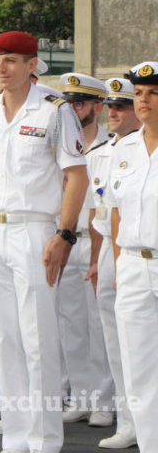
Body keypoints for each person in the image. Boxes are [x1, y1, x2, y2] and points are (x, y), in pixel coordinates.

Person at [0, 31, 88, 453]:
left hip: (35, 231)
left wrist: (64, 234)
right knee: (5, 339)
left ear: (33, 64)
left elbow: (76, 176)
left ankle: (45, 440)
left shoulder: (55, 111)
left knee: (37, 340)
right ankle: (16, 438)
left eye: (13, 60)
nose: (2, 68)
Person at [84, 76, 141, 450]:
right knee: (117, 343)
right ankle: (129, 420)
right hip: (112, 251)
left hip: (140, 250)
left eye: (124, 106)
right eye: (112, 106)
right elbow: (99, 215)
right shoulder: (102, 154)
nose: (114, 112)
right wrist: (96, 263)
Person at [55, 73, 115, 426]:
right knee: (70, 324)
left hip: (96, 241)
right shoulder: (59, 143)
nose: (74, 109)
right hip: (65, 239)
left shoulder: (111, 148)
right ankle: (80, 395)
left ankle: (103, 401)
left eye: (81, 103)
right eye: (70, 103)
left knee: (99, 325)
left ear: (98, 107)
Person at [105, 61, 158, 453]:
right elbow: (117, 211)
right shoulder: (123, 148)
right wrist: (120, 263)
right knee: (138, 366)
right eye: (139, 93)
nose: (144, 101)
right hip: (133, 264)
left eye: (154, 93)